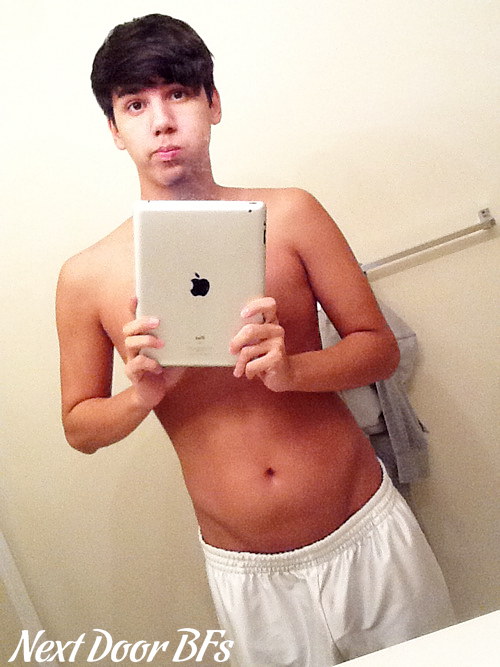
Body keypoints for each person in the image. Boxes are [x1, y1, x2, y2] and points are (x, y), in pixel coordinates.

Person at [56, 14, 455, 666]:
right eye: (136, 104)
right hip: (249, 576)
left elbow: (378, 347)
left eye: (178, 94)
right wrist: (142, 395)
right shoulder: (86, 277)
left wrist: (293, 370)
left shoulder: (292, 215)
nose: (162, 121)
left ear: (213, 103)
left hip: (366, 531)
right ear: (114, 128)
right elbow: (79, 426)